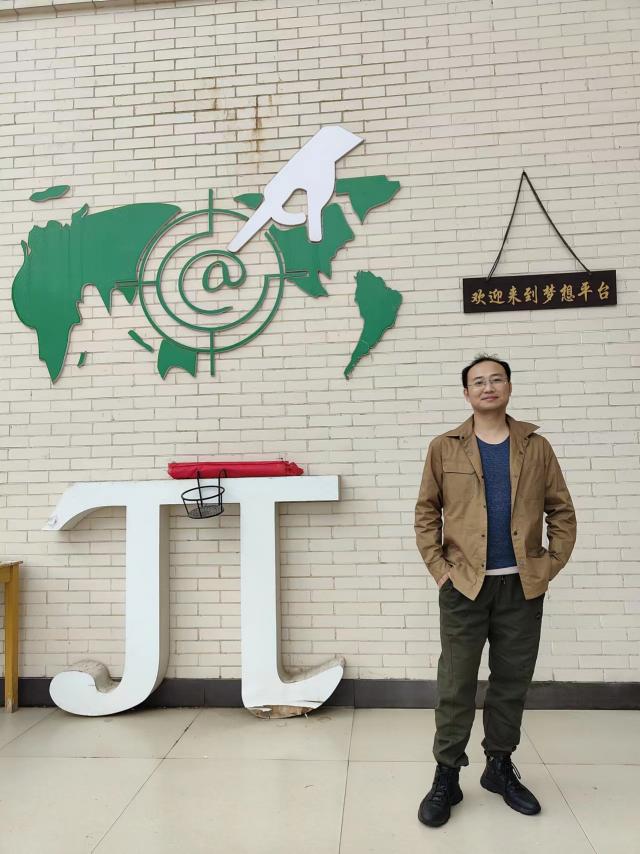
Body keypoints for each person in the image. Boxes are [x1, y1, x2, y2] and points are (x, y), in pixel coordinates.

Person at [414, 354, 577, 828]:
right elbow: (426, 512)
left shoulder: (536, 447)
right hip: (464, 586)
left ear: (508, 387)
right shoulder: (444, 447)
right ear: (466, 393)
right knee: (456, 684)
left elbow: (561, 511)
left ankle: (499, 767)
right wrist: (439, 569)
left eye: (496, 379)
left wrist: (549, 565)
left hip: (521, 588)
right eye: (478, 381)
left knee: (511, 682)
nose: (488, 387)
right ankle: (447, 775)